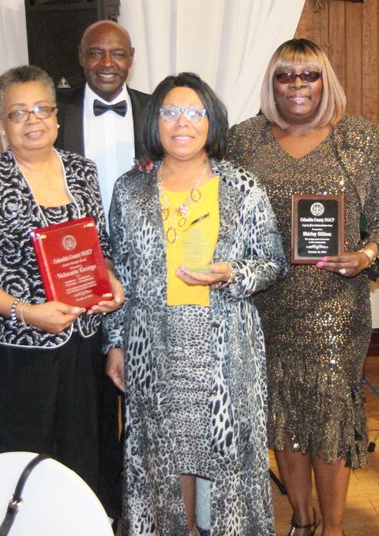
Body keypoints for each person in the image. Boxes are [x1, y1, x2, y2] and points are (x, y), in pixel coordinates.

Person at [228, 39, 379, 536]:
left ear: (325, 81)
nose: (297, 86)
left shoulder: (358, 138)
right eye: (286, 76)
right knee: (282, 414)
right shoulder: (244, 140)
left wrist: (365, 256)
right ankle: (302, 521)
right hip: (266, 304)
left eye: (309, 75)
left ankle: (335, 527)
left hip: (335, 307)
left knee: (327, 416)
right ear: (272, 83)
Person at [104, 72, 287, 535]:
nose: (181, 123)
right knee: (165, 454)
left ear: (211, 122)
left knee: (222, 454)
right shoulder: (130, 190)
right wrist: (116, 344)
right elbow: (118, 273)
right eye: (170, 112)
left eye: (193, 113)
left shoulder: (243, 187)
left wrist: (232, 273)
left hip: (223, 344)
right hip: (153, 344)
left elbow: (272, 262)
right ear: (155, 122)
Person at [0, 65, 124, 520]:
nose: (32, 121)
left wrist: (113, 285)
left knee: (86, 458)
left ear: (55, 114)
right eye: (17, 113)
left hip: (84, 345)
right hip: (19, 351)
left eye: (41, 109)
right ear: (1, 122)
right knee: (26, 463)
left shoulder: (83, 171)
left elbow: (101, 250)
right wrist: (29, 313)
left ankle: (85, 526)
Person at [56, 19, 151, 221]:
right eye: (96, 53)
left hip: (141, 243)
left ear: (131, 57)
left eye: (117, 54)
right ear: (81, 55)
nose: (107, 63)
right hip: (80, 244)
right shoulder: (56, 113)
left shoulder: (156, 110)